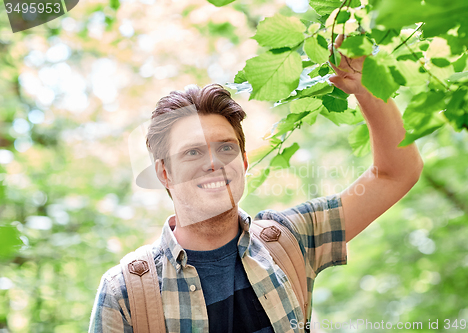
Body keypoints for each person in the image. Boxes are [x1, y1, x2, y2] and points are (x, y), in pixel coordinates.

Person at [88, 37, 424, 332]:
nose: (213, 162)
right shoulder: (126, 291)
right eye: (192, 152)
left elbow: (396, 172)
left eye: (226, 148)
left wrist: (368, 89)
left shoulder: (293, 237)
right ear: (164, 173)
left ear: (244, 162)